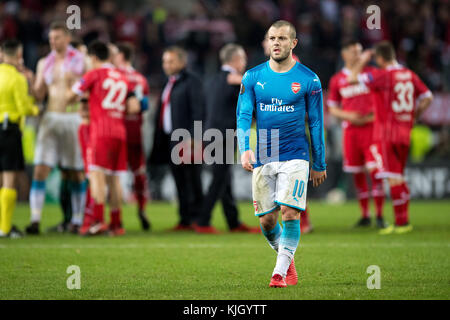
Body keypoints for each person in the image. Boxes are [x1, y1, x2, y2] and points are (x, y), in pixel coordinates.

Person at [237, 20, 327, 288]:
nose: (276, 43)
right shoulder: (252, 77)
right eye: (272, 38)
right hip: (264, 156)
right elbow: (243, 116)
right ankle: (288, 260)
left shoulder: (309, 79)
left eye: (282, 39)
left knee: (290, 212)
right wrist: (244, 149)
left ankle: (278, 273)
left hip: (296, 155)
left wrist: (319, 162)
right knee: (267, 221)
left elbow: (316, 122)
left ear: (293, 43)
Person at [348, 41, 433, 234]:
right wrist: (414, 115)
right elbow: (428, 97)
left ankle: (401, 223)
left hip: (387, 134)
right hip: (405, 131)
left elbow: (353, 78)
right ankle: (404, 220)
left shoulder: (383, 75)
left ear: (379, 58)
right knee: (400, 176)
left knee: (393, 178)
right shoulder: (409, 74)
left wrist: (362, 59)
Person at [69, 40, 141, 236]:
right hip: (120, 131)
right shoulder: (123, 77)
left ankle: (98, 221)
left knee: (97, 176)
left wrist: (84, 98)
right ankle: (117, 224)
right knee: (115, 179)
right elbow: (134, 107)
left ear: (93, 57)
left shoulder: (93, 74)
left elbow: (71, 95)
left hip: (100, 131)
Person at [25, 21, 87, 235]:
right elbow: (40, 95)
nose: (53, 42)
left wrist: (80, 99)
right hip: (51, 117)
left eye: (57, 38)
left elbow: (88, 87)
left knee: (76, 172)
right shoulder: (45, 63)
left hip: (72, 118)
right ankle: (35, 220)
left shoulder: (81, 61)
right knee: (40, 169)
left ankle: (77, 220)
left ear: (67, 39)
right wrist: (32, 83)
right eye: (51, 38)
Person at [195, 44, 260, 234]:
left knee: (225, 179)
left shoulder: (211, 80)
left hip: (210, 134)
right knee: (219, 179)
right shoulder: (234, 79)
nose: (245, 63)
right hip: (223, 135)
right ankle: (202, 220)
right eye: (243, 59)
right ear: (236, 60)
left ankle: (233, 222)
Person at [327, 40, 386, 228]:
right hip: (351, 131)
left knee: (375, 172)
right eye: (354, 51)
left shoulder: (371, 74)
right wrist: (349, 115)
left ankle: (379, 215)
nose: (358, 55)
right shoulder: (337, 79)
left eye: (360, 51)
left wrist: (371, 117)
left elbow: (384, 99)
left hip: (371, 130)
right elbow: (333, 108)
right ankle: (365, 215)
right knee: (357, 173)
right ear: (344, 55)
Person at [148, 46, 204, 231]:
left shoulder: (192, 81)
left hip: (187, 138)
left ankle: (197, 218)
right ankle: (185, 219)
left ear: (182, 62)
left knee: (192, 179)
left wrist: (194, 136)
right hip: (170, 138)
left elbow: (198, 110)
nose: (167, 65)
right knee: (179, 179)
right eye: (165, 61)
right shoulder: (169, 82)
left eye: (171, 61)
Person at [263, 31, 314, 234]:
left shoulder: (292, 66)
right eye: (270, 39)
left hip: (289, 135)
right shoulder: (266, 70)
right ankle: (282, 219)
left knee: (291, 181)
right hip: (271, 135)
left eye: (277, 39)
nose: (270, 43)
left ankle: (302, 220)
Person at [0, 39, 39, 238]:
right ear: (18, 55)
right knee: (9, 179)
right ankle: (4, 228)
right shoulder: (16, 78)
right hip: (9, 130)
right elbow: (24, 108)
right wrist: (34, 107)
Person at [112, 42, 151, 231]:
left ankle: (115, 217)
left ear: (121, 56)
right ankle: (142, 208)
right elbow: (144, 106)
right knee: (138, 171)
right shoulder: (140, 79)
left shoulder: (115, 77)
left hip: (117, 128)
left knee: (115, 174)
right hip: (135, 129)